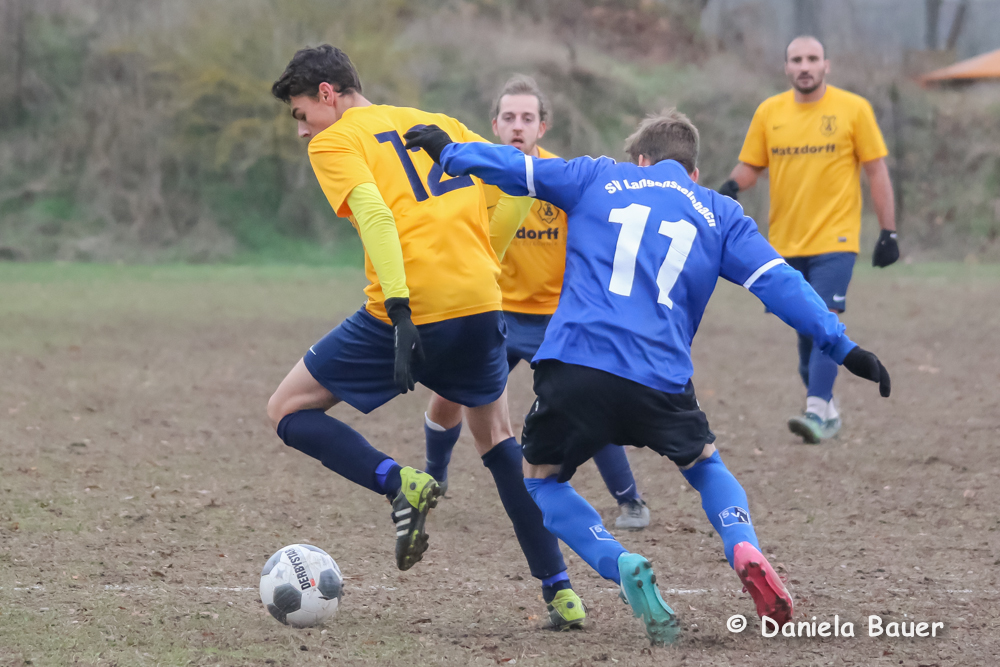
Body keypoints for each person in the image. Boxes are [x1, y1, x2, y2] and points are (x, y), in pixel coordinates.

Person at [404, 108, 891, 644]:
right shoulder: (719, 212)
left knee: (541, 480)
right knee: (704, 465)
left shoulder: (597, 175)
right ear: (694, 172)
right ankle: (742, 545)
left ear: (640, 160)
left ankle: (621, 563)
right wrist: (843, 347)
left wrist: (449, 151)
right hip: (660, 378)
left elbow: (517, 168)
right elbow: (780, 283)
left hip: (575, 367)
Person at [266, 45, 586, 628]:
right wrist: (484, 261)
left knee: (286, 409)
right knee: (499, 442)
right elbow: (518, 187)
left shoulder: (334, 142)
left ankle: (399, 481)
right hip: (482, 304)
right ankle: (560, 591)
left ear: (327, 94)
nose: (303, 129)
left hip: (407, 309)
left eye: (301, 113)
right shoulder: (439, 123)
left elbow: (375, 215)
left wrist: (398, 307)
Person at [422, 75, 651, 530]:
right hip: (492, 313)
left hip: (554, 319)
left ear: (542, 127)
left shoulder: (561, 179)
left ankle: (630, 501)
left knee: (590, 402)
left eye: (527, 118)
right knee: (447, 393)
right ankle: (433, 477)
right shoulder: (476, 176)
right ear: (494, 125)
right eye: (509, 117)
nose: (517, 126)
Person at [718, 35, 899, 444]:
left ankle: (815, 410)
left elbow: (876, 171)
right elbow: (752, 166)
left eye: (812, 59)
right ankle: (827, 409)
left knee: (824, 320)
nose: (805, 66)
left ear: (826, 65)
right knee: (807, 332)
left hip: (836, 240)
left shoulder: (854, 109)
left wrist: (888, 231)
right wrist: (730, 187)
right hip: (785, 243)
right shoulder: (769, 112)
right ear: (786, 67)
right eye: (797, 59)